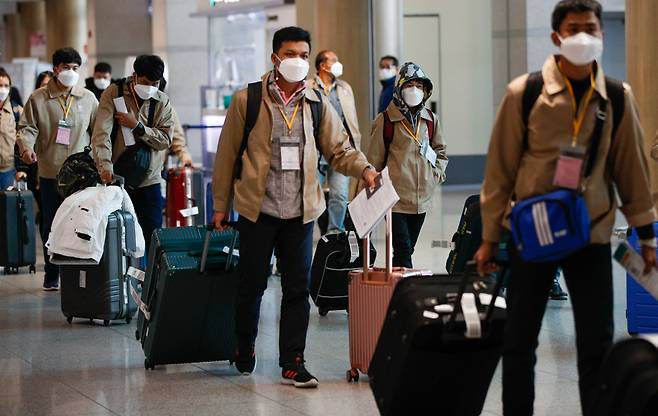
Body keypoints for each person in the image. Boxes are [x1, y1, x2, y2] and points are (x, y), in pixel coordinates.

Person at [474, 1, 657, 415]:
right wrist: (488, 239)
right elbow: (500, 170)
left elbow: (632, 172)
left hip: (591, 234)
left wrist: (645, 235)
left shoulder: (616, 96)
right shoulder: (526, 93)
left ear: (602, 34)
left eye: (591, 28)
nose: (583, 36)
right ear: (556, 36)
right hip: (532, 235)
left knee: (596, 344)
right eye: (573, 28)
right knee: (519, 342)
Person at [212, 26, 377, 388]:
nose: (298, 61)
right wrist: (220, 207)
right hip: (258, 211)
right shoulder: (249, 100)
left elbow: (339, 148)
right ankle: (245, 344)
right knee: (252, 285)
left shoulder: (317, 103)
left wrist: (364, 168)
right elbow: (226, 156)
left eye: (304, 55)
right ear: (275, 58)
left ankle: (293, 360)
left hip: (302, 212)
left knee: (297, 290)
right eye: (290, 54)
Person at [16, 48, 99, 291]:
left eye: (75, 68)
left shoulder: (88, 98)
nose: (71, 73)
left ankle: (78, 273)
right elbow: (28, 128)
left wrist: (100, 162)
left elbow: (98, 133)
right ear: (55, 69)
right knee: (51, 224)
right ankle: (52, 272)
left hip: (82, 176)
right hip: (51, 173)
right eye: (66, 68)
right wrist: (25, 149)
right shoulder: (38, 98)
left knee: (81, 223)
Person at [366, 62, 447, 268]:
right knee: (403, 250)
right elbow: (374, 161)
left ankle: (395, 286)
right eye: (410, 85)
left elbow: (440, 151)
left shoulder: (430, 120)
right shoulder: (385, 120)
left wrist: (436, 174)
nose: (415, 90)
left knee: (407, 249)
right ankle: (405, 293)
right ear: (400, 88)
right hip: (395, 199)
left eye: (419, 86)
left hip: (422, 199)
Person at [92, 54, 173, 256]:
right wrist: (104, 167)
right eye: (146, 82)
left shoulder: (161, 100)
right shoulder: (114, 92)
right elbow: (101, 134)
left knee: (152, 236)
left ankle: (149, 283)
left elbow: (165, 140)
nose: (151, 87)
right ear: (135, 76)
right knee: (121, 237)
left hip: (151, 179)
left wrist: (137, 126)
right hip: (119, 178)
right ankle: (126, 282)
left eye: (155, 83)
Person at [309, 50, 362, 233]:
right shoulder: (308, 87)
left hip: (340, 150)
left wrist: (355, 147)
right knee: (310, 195)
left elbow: (351, 120)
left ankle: (334, 233)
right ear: (322, 65)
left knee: (339, 195)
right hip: (315, 152)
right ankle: (307, 231)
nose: (339, 63)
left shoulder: (345, 88)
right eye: (334, 60)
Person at [0, 68, 21, 189]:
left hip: (8, 169)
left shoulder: (16, 111)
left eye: (6, 85)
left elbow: (23, 140)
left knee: (5, 206)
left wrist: (21, 169)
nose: (2, 89)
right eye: (0, 85)